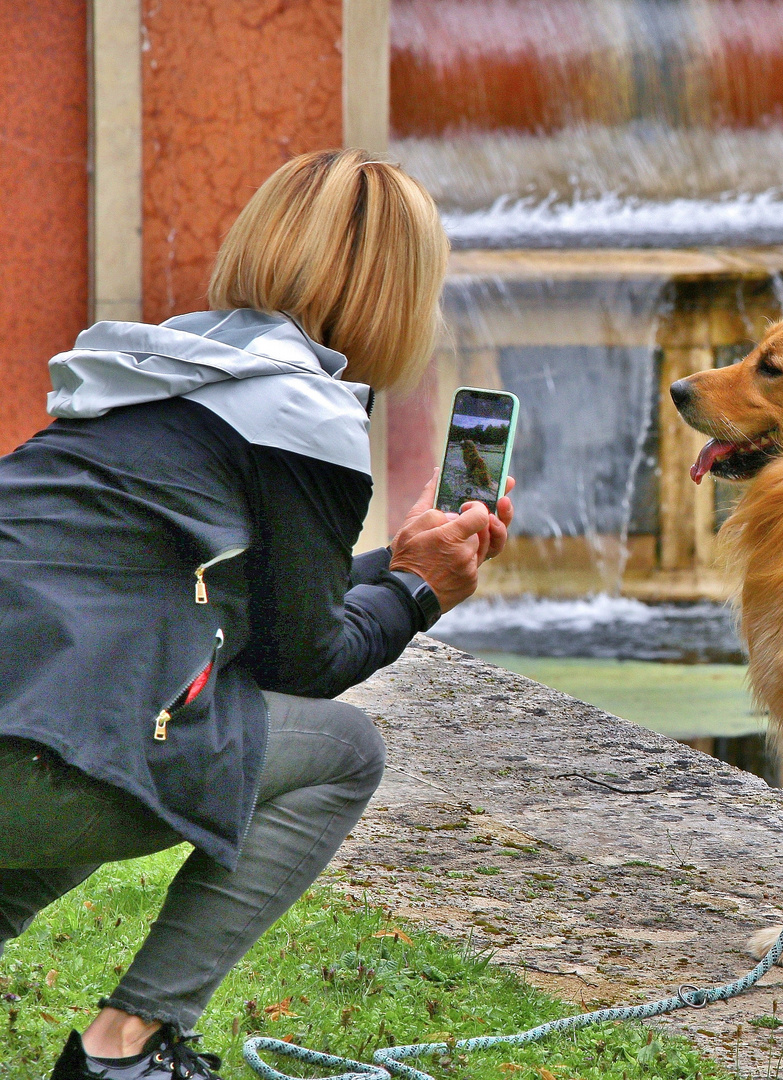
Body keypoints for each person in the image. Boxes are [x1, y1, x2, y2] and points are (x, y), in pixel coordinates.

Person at [0, 149, 512, 1080]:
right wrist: (417, 592)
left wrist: (399, 564)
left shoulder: (148, 369)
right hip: (32, 760)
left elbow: (240, 597)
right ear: (396, 295)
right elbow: (304, 661)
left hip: (28, 712)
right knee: (338, 751)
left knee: (101, 713)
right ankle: (132, 1046)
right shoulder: (301, 415)